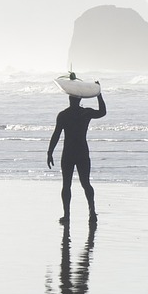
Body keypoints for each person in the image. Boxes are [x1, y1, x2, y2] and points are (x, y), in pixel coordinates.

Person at [47, 86, 106, 226]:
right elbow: (102, 112)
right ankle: (91, 213)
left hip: (68, 152)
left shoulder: (64, 115)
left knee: (67, 184)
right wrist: (98, 94)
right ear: (80, 99)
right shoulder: (85, 113)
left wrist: (50, 152)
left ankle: (68, 215)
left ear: (70, 99)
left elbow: (56, 135)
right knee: (85, 183)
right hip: (81, 151)